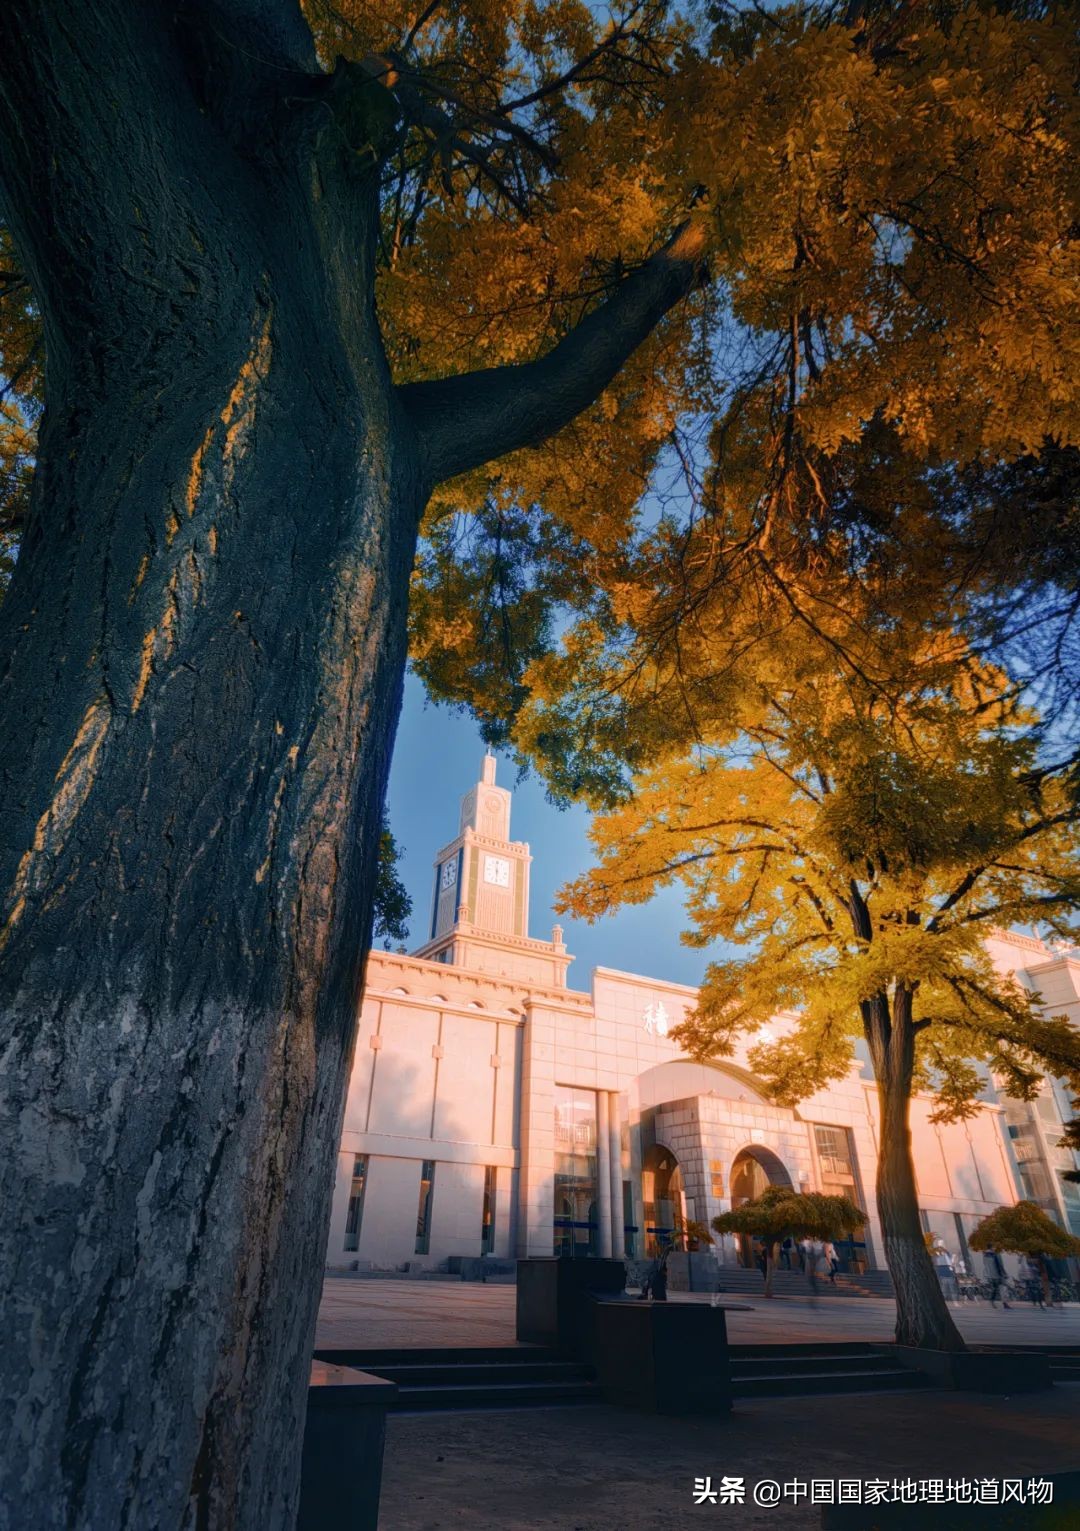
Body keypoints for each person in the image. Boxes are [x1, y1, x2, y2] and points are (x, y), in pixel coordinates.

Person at [983, 1244, 1010, 1308]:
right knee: (1003, 1288)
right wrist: (1004, 1274)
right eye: (994, 1246)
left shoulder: (985, 1255)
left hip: (990, 1275)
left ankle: (992, 1301)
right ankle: (1004, 1303)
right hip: (998, 1275)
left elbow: (985, 1265)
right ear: (992, 1247)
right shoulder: (995, 1254)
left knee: (995, 1288)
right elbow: (1000, 1265)